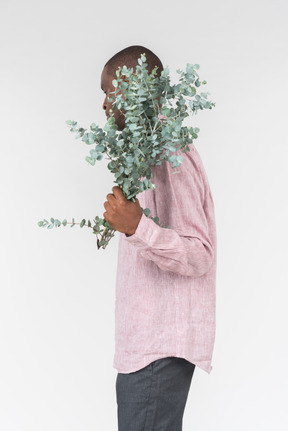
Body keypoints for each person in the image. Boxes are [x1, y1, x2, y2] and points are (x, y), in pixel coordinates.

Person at [101, 45, 217, 431]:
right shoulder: (148, 150)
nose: (103, 105)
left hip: (159, 346)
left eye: (109, 92)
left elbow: (200, 253)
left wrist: (138, 227)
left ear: (135, 88)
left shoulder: (170, 149)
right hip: (145, 347)